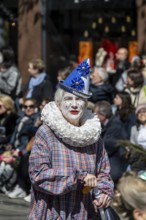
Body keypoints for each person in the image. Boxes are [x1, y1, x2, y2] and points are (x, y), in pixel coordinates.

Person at [28, 58, 114, 220]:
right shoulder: (46, 133)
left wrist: (104, 192)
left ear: (85, 104)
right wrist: (77, 177)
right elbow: (38, 175)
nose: (74, 105)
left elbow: (104, 173)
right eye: (68, 99)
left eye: (79, 99)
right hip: (53, 212)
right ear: (59, 103)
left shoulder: (93, 135)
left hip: (86, 212)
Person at [94, 101, 128, 185]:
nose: (94, 116)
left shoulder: (115, 125)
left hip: (115, 163)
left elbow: (109, 145)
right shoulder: (104, 124)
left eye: (95, 114)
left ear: (102, 114)